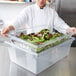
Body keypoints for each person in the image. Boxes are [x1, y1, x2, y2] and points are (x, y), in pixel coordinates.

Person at [1, 0, 76, 37]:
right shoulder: (28, 10)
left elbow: (60, 25)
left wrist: (69, 29)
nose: (41, 0)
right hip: (31, 44)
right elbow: (18, 21)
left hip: (46, 46)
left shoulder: (51, 12)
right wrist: (8, 28)